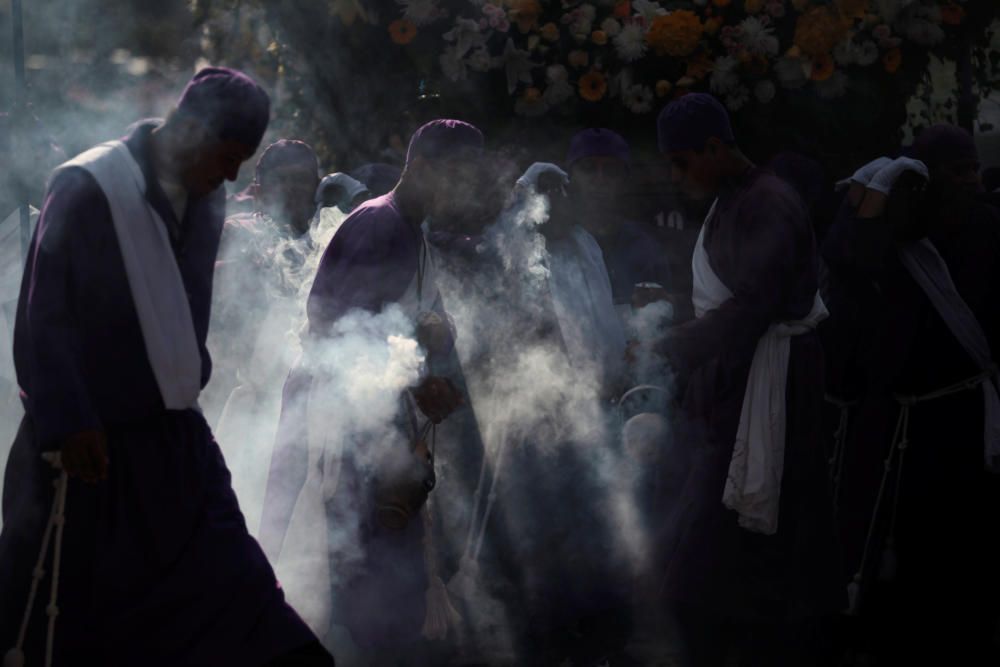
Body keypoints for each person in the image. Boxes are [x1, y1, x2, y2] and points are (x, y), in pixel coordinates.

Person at [0, 67, 333, 666]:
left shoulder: (208, 197)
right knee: (68, 624)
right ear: (191, 130)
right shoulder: (87, 185)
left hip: (176, 450)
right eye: (228, 157)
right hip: (87, 451)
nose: (233, 176)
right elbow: (42, 318)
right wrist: (70, 420)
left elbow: (188, 317)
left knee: (241, 600)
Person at [260, 119, 476, 663]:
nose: (461, 191)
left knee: (385, 590)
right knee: (366, 594)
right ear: (420, 167)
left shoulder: (410, 229)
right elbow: (330, 326)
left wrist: (436, 376)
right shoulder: (379, 224)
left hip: (379, 425)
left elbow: (413, 324)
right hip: (344, 431)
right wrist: (418, 377)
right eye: (454, 175)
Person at [654, 93, 842, 666]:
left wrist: (679, 345)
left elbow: (756, 304)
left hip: (773, 384)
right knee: (731, 539)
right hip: (737, 382)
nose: (676, 175)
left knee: (742, 538)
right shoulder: (730, 199)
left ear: (716, 146)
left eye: (683, 161)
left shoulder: (768, 202)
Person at [823, 124, 1000, 666]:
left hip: (961, 415)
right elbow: (847, 282)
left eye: (973, 168)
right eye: (956, 170)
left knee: (961, 551)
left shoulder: (988, 228)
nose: (969, 179)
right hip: (895, 426)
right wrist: (873, 212)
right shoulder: (892, 237)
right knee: (897, 557)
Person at [209, 139, 323, 533]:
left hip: (316, 408)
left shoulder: (329, 234)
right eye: (282, 181)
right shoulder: (239, 234)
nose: (293, 190)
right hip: (256, 399)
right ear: (261, 185)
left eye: (302, 180)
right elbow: (225, 320)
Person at [565, 128, 672, 311]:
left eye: (611, 170)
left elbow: (661, 316)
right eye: (588, 168)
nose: (600, 179)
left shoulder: (644, 246)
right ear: (571, 177)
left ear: (624, 180)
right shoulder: (559, 244)